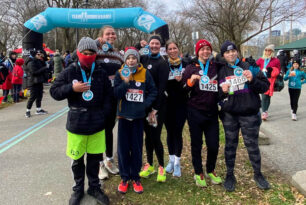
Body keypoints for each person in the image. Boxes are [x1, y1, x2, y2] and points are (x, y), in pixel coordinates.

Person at [50, 37, 111, 205]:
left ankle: (94, 187)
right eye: (85, 53)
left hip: (97, 124)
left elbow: (108, 95)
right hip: (77, 124)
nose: (88, 55)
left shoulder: (100, 71)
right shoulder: (70, 71)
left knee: (94, 158)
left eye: (92, 53)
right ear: (78, 53)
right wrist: (72, 88)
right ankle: (78, 189)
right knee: (77, 160)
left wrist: (103, 114)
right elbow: (54, 92)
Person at [218, 40, 270, 192]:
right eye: (227, 52)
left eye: (233, 50)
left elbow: (265, 86)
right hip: (230, 115)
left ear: (237, 52)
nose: (231, 54)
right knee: (230, 146)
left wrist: (252, 80)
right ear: (223, 55)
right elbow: (217, 94)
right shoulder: (221, 71)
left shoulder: (250, 66)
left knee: (252, 146)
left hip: (249, 114)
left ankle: (258, 174)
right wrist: (223, 91)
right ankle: (229, 175)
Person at [114, 47, 157, 194]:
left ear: (137, 59)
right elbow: (116, 94)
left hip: (138, 118)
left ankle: (135, 177)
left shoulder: (145, 73)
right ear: (125, 60)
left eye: (133, 58)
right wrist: (125, 83)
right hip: (123, 117)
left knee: (137, 148)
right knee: (123, 149)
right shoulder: (120, 73)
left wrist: (145, 105)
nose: (131, 60)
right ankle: (124, 178)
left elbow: (153, 91)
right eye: (128, 58)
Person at [181, 39, 221, 187]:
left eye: (207, 49)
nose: (205, 52)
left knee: (213, 145)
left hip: (211, 112)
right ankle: (198, 172)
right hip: (195, 111)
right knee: (196, 144)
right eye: (202, 49)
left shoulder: (216, 66)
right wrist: (191, 82)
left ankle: (211, 169)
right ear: (197, 52)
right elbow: (183, 89)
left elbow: (231, 66)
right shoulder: (190, 68)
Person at [138, 35, 169, 182]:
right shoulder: (144, 59)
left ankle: (161, 166)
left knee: (155, 136)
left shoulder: (163, 63)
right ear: (148, 45)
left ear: (160, 46)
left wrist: (155, 108)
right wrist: (139, 44)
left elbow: (162, 87)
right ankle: (149, 164)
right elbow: (131, 56)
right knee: (148, 136)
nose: (154, 46)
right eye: (152, 43)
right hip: (144, 104)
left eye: (157, 43)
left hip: (157, 107)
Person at [95, 25, 124, 179]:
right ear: (102, 36)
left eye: (113, 33)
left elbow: (126, 71)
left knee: (109, 129)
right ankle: (99, 164)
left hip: (113, 98)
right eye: (108, 33)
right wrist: (95, 42)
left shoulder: (119, 55)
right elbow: (77, 55)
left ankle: (109, 160)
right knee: (100, 129)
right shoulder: (96, 50)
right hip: (99, 97)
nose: (111, 36)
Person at [164, 40, 189, 177]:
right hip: (168, 104)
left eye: (175, 48)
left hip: (182, 103)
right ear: (167, 51)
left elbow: (190, 82)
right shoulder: (164, 65)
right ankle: (171, 160)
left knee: (178, 132)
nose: (173, 51)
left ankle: (177, 163)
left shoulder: (186, 64)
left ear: (179, 50)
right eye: (170, 49)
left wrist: (182, 81)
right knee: (170, 132)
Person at [256, 44, 281, 120]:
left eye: (269, 50)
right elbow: (255, 66)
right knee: (264, 96)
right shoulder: (261, 59)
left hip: (270, 80)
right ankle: (264, 112)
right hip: (261, 80)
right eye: (266, 50)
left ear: (272, 51)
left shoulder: (276, 60)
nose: (267, 52)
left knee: (268, 96)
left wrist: (272, 70)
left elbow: (278, 70)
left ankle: (265, 110)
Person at [24, 50, 49, 118]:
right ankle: (27, 111)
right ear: (34, 55)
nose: (39, 55)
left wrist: (43, 58)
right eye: (38, 54)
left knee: (39, 96)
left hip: (39, 81)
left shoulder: (38, 60)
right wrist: (44, 68)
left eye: (40, 54)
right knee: (32, 97)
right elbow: (34, 72)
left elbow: (43, 64)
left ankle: (38, 109)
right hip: (33, 82)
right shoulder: (30, 62)